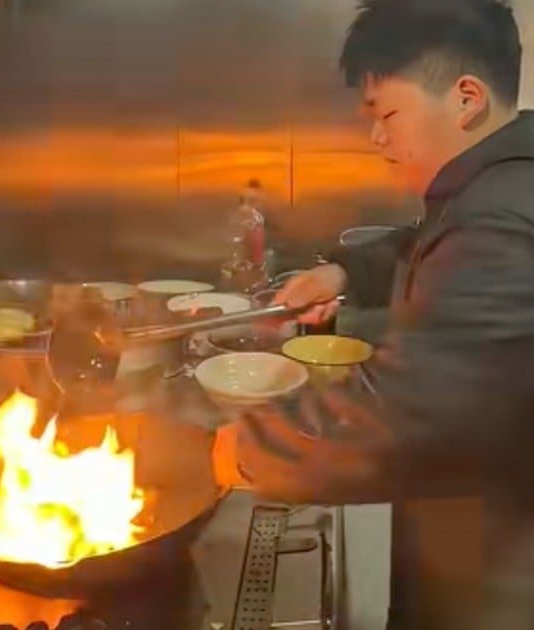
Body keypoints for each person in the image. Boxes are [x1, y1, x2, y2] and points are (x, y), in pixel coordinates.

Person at [210, 1, 534, 628]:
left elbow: (415, 420)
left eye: (388, 114)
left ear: (465, 98)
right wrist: (345, 272)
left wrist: (250, 449)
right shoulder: (497, 185)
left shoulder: (498, 216)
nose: (377, 138)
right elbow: (427, 243)